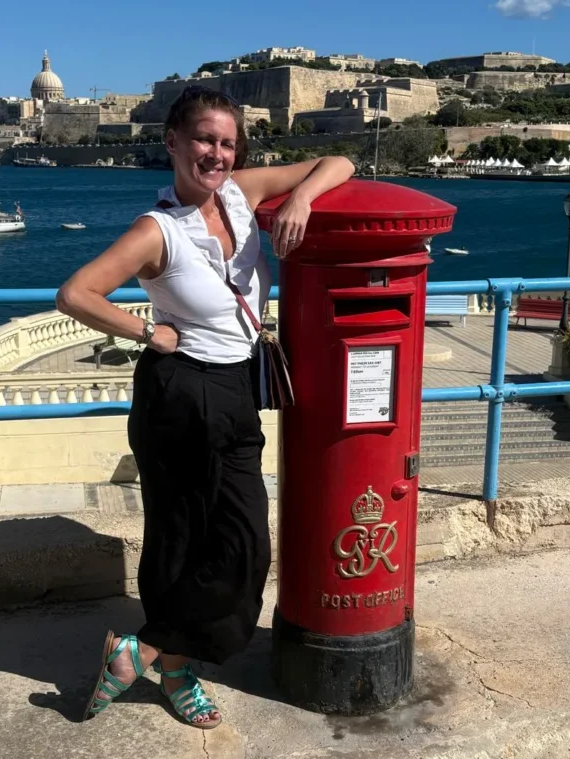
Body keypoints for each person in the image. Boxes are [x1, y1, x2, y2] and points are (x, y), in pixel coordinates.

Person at [56, 86, 354, 729]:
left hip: (236, 384)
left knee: (245, 543)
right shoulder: (155, 230)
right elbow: (75, 293)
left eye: (226, 142)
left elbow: (342, 165)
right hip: (177, 391)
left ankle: (143, 652)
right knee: (179, 538)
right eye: (203, 140)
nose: (216, 154)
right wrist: (144, 332)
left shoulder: (242, 194)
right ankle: (178, 674)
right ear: (172, 142)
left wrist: (300, 197)